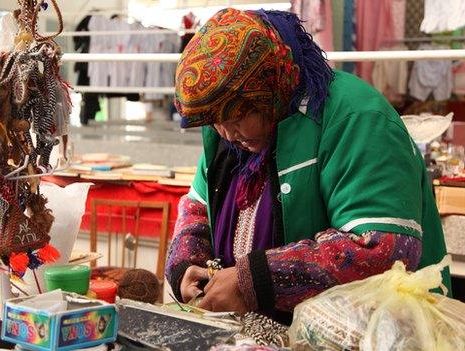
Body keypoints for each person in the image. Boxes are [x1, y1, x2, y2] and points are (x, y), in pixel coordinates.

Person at [165, 8, 450, 322]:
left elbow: (384, 248)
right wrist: (187, 265)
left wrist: (256, 281)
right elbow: (196, 206)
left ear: (271, 90)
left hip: (375, 332)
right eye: (214, 122)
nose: (227, 133)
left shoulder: (356, 117)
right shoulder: (225, 123)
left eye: (236, 118)